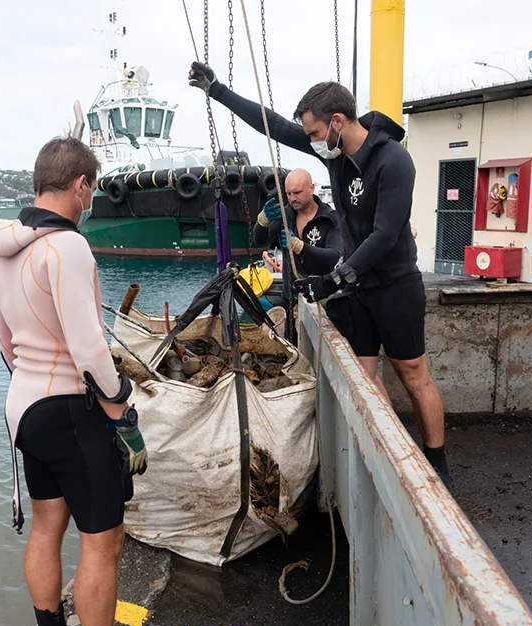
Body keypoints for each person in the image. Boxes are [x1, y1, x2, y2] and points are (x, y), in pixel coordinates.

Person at [189, 62, 451, 489]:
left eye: (312, 133)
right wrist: (217, 90)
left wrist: (337, 276)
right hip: (359, 287)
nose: (310, 141)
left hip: (396, 284)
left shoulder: (392, 160)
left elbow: (386, 234)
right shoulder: (335, 154)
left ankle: (438, 462)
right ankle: (400, 455)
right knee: (364, 378)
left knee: (411, 372)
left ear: (337, 122)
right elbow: (271, 124)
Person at [0, 136, 146, 626]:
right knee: (103, 543)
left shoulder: (1, 252)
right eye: (92, 189)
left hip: (23, 410)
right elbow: (89, 347)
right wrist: (120, 408)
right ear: (80, 185)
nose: (92, 199)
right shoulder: (68, 246)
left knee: (47, 525)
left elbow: (6, 343)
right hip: (70, 409)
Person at [254, 168, 342, 316]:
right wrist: (263, 221)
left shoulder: (330, 219)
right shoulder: (285, 214)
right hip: (290, 298)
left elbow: (333, 257)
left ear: (311, 188)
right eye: (289, 194)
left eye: (297, 193)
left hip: (320, 297)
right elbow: (260, 240)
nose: (292, 198)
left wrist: (301, 247)